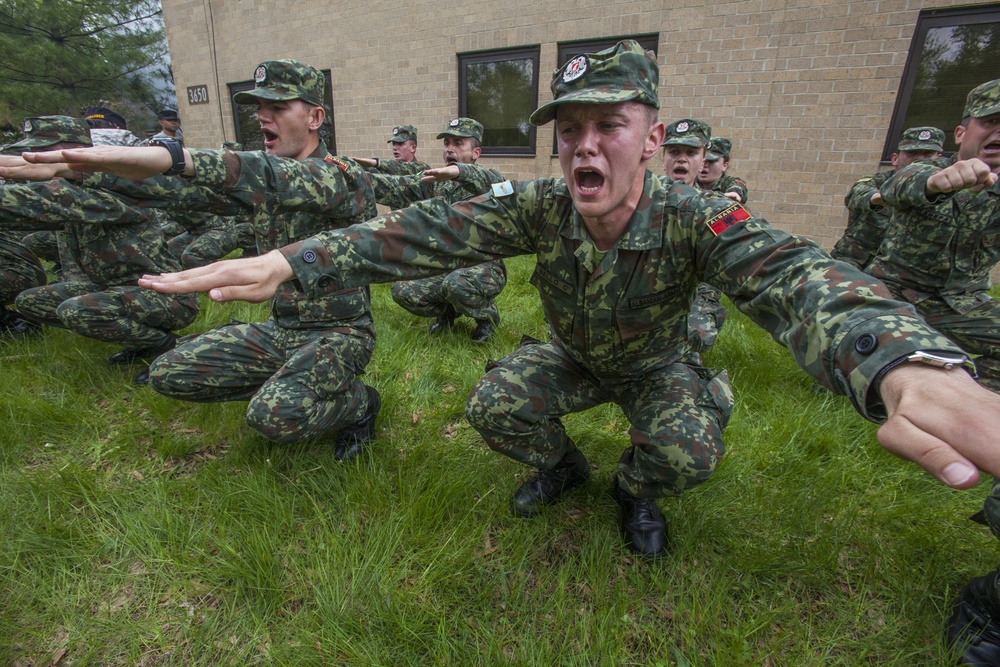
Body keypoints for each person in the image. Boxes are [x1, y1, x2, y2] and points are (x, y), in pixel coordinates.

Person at [11, 43, 1000, 566]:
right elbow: (415, 235)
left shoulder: (700, 215)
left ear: (650, 139)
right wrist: (288, 260)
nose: (584, 147)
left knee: (688, 450)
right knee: (491, 403)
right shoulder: (538, 206)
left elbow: (794, 274)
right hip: (572, 356)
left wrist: (900, 361)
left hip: (654, 363)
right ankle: (565, 464)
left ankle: (634, 490)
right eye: (568, 128)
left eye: (608, 125)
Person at [68, 60, 380, 460]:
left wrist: (178, 156)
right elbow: (182, 193)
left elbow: (271, 176)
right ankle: (290, 384)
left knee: (273, 416)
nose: (262, 116)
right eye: (259, 108)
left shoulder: (342, 176)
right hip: (282, 327)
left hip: (340, 335)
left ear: (315, 117)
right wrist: (82, 171)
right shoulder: (266, 178)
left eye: (279, 107)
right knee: (168, 374)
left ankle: (360, 404)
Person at [860, 80, 1000, 664]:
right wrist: (933, 181)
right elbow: (882, 190)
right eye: (991, 122)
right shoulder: (926, 175)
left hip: (964, 301)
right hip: (897, 293)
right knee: (868, 350)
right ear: (963, 130)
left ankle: (969, 407)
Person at [0, 115, 198, 382]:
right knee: (31, 301)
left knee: (76, 310)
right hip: (114, 289)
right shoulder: (72, 188)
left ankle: (167, 344)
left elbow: (33, 204)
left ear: (73, 151)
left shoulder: (108, 189)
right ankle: (141, 340)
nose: (32, 160)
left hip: (167, 297)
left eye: (40, 153)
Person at [373, 117, 507, 343]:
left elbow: (497, 181)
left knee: (456, 284)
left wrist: (459, 172)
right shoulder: (437, 182)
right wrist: (356, 179)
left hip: (484, 265)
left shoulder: (490, 182)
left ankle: (487, 318)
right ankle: (448, 313)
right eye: (447, 143)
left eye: (458, 143)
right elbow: (398, 188)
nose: (450, 149)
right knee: (403, 291)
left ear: (476, 152)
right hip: (447, 263)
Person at [831, 126, 945, 271]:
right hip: (855, 263)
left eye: (927, 154)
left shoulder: (944, 197)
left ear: (939, 159)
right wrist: (884, 197)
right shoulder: (876, 183)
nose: (919, 159)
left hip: (902, 275)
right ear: (895, 159)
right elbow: (857, 196)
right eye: (912, 153)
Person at [661, 118, 727, 352]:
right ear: (663, 158)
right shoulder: (640, 201)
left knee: (692, 337)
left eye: (691, 152)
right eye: (674, 151)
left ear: (702, 163)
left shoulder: (717, 208)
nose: (681, 158)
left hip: (697, 290)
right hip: (650, 289)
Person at [356, 125, 430, 175]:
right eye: (394, 143)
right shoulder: (387, 170)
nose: (394, 147)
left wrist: (376, 163)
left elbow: (404, 168)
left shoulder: (422, 169)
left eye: (400, 144)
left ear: (413, 148)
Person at [697, 137, 749, 204]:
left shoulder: (728, 182)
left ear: (725, 165)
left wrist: (734, 193)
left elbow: (738, 187)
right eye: (701, 160)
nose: (704, 165)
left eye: (711, 161)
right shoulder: (690, 180)